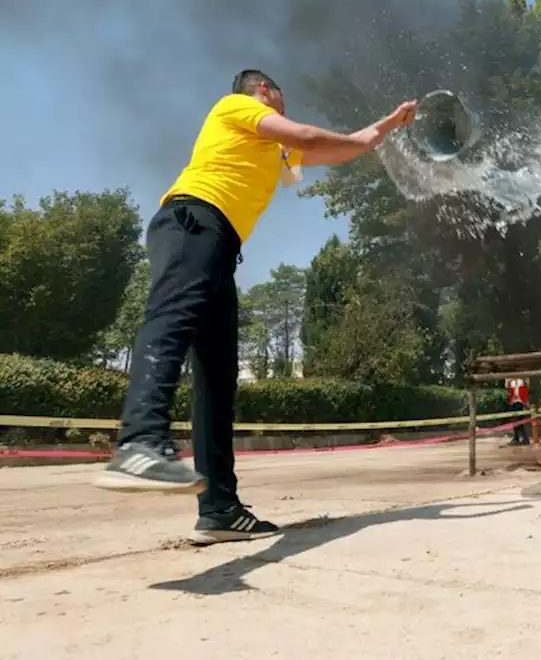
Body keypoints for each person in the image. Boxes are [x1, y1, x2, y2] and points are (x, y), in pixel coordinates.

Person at [95, 70, 417, 545]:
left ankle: (220, 508)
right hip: (193, 221)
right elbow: (309, 134)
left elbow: (350, 147)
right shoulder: (237, 107)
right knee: (170, 317)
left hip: (220, 247)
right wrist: (346, 134)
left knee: (218, 377)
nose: (283, 103)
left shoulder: (278, 148)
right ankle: (141, 441)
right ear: (264, 90)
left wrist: (388, 126)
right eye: (279, 94)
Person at [507, 377, 531, 446]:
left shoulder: (522, 380)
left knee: (517, 421)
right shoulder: (511, 381)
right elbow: (509, 390)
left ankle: (517, 438)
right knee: (517, 421)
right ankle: (522, 439)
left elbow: (526, 390)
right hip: (513, 402)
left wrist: (526, 402)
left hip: (520, 402)